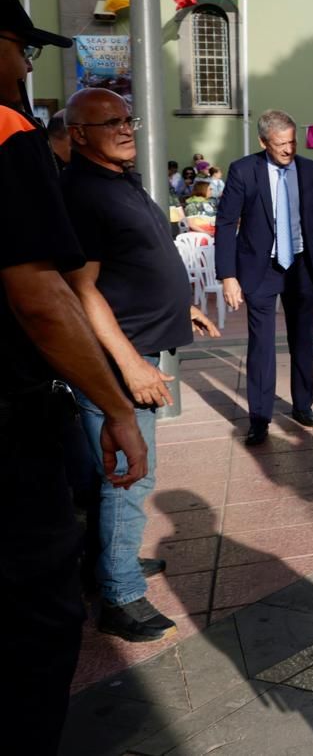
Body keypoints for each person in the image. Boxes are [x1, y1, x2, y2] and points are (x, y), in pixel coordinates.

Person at [0, 0, 149, 754]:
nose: (26, 63)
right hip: (6, 423)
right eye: (20, 45)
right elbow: (42, 296)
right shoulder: (6, 133)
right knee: (36, 618)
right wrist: (115, 403)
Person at [59, 87, 221, 642]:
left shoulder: (117, 179)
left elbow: (136, 261)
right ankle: (120, 594)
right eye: (109, 123)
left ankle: (107, 564)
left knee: (114, 477)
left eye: (128, 119)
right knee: (129, 475)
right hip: (116, 356)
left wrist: (183, 304)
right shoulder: (82, 191)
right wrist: (129, 365)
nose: (126, 129)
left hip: (141, 342)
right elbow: (83, 291)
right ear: (78, 134)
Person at [215, 109, 313, 446]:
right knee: (261, 344)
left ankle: (303, 405)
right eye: (280, 144)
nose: (288, 149)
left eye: (292, 142)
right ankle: (259, 417)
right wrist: (227, 275)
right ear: (263, 142)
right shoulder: (244, 171)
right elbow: (226, 224)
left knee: (303, 340)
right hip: (260, 269)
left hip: (301, 265)